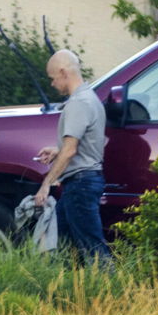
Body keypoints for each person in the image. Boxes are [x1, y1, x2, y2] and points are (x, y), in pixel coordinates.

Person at [35, 49, 111, 260]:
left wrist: (47, 183)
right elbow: (82, 144)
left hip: (80, 184)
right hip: (84, 182)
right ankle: (69, 289)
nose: (52, 84)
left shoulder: (78, 103)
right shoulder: (91, 98)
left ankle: (113, 289)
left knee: (92, 248)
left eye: (52, 78)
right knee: (63, 246)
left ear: (62, 72)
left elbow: (71, 150)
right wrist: (57, 150)